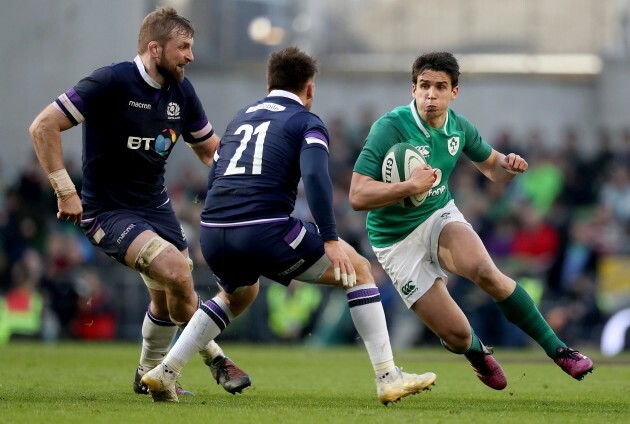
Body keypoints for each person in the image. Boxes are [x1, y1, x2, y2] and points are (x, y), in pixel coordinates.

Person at [141, 46, 437, 404]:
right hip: (264, 227)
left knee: (237, 295)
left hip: (214, 231)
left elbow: (216, 170)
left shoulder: (241, 117)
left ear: (269, 83)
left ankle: (165, 370)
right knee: (359, 269)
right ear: (309, 89)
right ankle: (389, 377)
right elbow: (314, 176)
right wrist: (329, 238)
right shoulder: (306, 121)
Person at [28, 6, 251, 397]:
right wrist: (65, 189)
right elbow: (43, 126)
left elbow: (208, 150)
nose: (190, 56)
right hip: (108, 211)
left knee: (167, 300)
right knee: (178, 271)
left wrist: (248, 178)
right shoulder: (111, 81)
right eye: (183, 47)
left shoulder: (182, 91)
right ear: (155, 48)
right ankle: (215, 358)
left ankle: (148, 374)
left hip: (155, 206)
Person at [348, 51, 594, 390]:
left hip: (438, 216)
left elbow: (493, 169)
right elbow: (357, 196)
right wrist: (408, 186)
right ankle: (478, 352)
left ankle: (560, 350)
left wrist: (509, 167)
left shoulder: (458, 128)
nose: (430, 94)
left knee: (485, 271)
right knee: (457, 335)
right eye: (423, 86)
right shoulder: (389, 128)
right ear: (413, 88)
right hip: (394, 241)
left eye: (439, 87)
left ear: (454, 92)